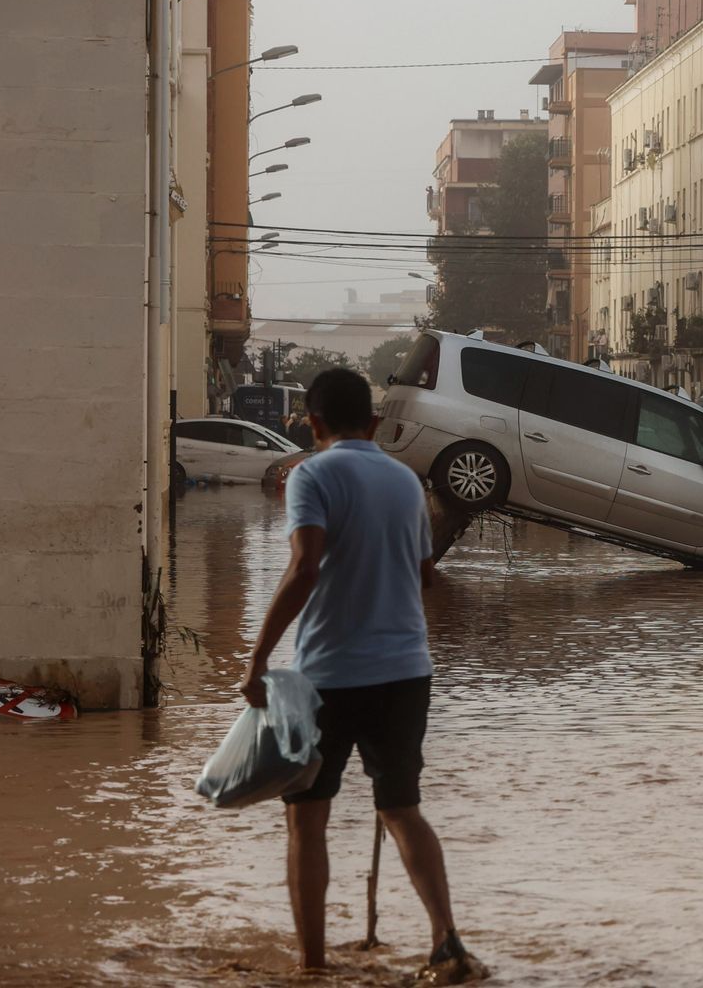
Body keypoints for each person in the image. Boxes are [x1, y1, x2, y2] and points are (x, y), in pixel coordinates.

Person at [238, 368, 473, 981]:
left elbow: (303, 566)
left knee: (306, 816)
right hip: (406, 671)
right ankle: (447, 940)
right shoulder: (404, 481)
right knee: (402, 808)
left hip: (330, 675)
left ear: (311, 423)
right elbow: (424, 575)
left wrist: (259, 658)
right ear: (373, 424)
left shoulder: (310, 475)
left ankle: (313, 968)